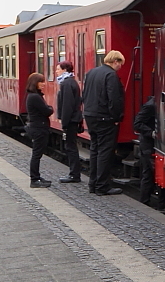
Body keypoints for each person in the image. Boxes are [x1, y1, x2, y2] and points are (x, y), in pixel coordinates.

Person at [82, 50, 126, 196]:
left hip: (90, 116)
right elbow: (114, 99)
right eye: (120, 64)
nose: (120, 67)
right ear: (115, 61)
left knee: (94, 150)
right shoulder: (111, 75)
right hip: (104, 118)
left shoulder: (91, 72)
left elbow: (85, 94)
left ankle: (92, 184)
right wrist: (116, 118)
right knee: (105, 151)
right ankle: (102, 185)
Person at [55, 60, 83, 183]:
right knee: (72, 146)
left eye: (58, 69)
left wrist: (64, 123)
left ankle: (74, 174)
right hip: (74, 119)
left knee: (70, 147)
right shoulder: (71, 82)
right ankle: (74, 173)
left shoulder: (66, 84)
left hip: (70, 120)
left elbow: (67, 105)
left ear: (65, 70)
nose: (56, 71)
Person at [24, 73, 53, 188]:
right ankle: (34, 179)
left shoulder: (33, 96)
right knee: (37, 154)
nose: (43, 84)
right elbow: (47, 111)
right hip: (39, 128)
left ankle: (36, 177)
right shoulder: (35, 97)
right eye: (41, 82)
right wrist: (51, 108)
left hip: (37, 127)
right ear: (34, 83)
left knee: (37, 154)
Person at [132, 95, 157, 205]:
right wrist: (151, 133)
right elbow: (137, 123)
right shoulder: (150, 106)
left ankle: (146, 200)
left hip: (151, 143)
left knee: (148, 173)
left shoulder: (152, 104)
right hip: (148, 144)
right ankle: (144, 201)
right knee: (148, 173)